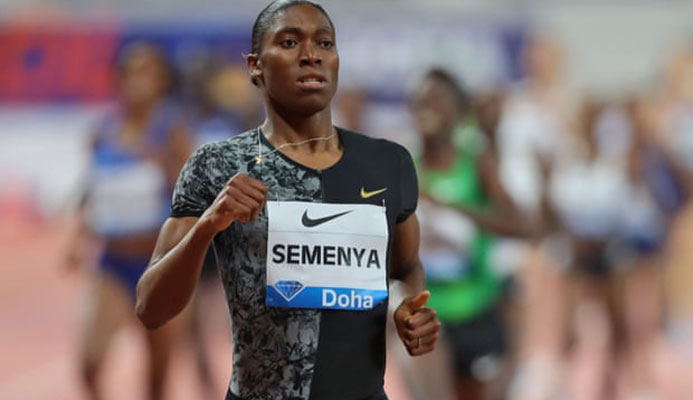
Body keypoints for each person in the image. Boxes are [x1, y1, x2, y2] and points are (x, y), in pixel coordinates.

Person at [134, 2, 440, 400]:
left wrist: (406, 308)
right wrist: (208, 224)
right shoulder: (217, 165)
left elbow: (405, 268)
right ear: (255, 66)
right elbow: (151, 308)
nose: (311, 54)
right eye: (290, 42)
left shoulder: (388, 163)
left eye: (324, 43)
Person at [65, 42, 193, 399]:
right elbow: (92, 187)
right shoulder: (102, 130)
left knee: (157, 372)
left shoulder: (172, 129)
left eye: (147, 72)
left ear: (161, 81)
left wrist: (161, 162)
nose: (138, 80)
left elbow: (195, 191)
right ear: (118, 79)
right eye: (131, 72)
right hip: (112, 261)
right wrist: (78, 238)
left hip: (159, 263)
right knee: (89, 363)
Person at [408, 68, 525, 400]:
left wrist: (452, 207)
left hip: (478, 306)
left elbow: (520, 225)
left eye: (437, 100)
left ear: (457, 112)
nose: (427, 108)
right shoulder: (406, 167)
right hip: (430, 310)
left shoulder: (476, 163)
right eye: (420, 101)